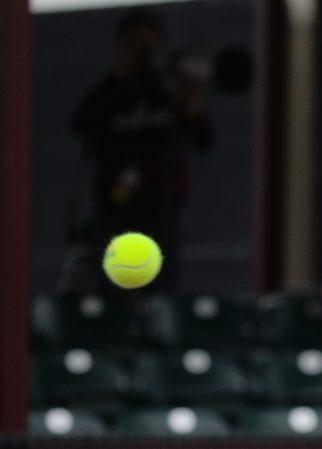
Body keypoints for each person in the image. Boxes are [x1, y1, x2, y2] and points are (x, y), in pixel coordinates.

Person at [67, 10, 214, 293]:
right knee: (113, 296)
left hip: (163, 209)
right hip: (115, 208)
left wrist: (189, 99)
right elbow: (81, 124)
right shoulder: (109, 92)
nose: (144, 50)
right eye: (135, 42)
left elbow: (204, 138)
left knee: (162, 295)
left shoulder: (170, 91)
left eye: (150, 43)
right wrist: (122, 74)